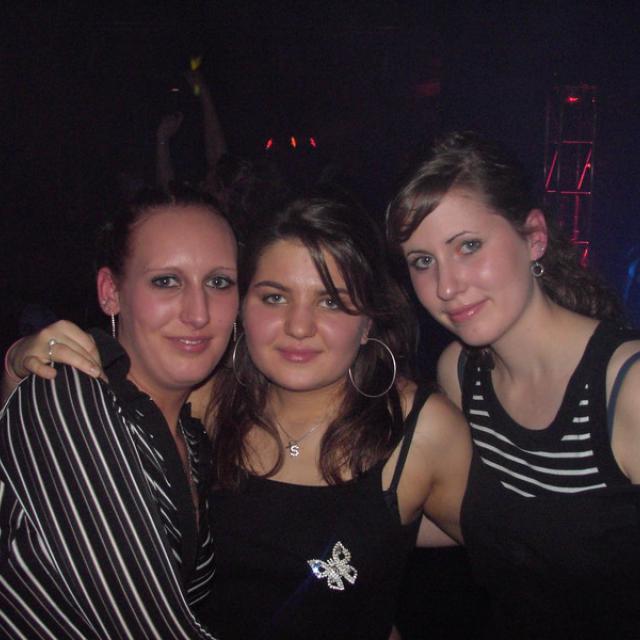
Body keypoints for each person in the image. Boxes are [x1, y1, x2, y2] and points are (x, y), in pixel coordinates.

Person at [5, 196, 472, 640]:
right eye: (274, 297)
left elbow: (507, 551)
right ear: (245, 307)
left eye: (331, 301)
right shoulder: (205, 399)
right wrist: (17, 364)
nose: (299, 326)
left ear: (368, 320)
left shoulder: (419, 430)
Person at [386, 130, 640, 638]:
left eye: (469, 246)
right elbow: (491, 523)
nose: (446, 286)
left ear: (534, 237)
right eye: (423, 261)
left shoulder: (626, 388)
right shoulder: (462, 373)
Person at [0, 187, 238, 638]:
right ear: (111, 293)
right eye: (166, 281)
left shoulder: (189, 434)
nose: (199, 313)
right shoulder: (71, 394)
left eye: (219, 282)